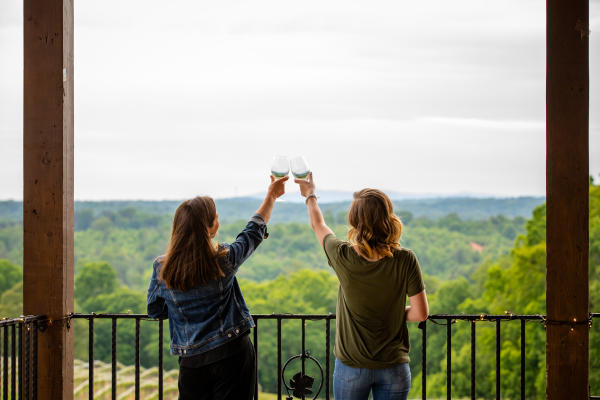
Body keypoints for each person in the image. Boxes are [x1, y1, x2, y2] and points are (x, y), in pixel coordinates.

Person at [146, 175, 289, 400]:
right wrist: (271, 196)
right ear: (210, 228)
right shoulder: (223, 259)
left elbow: (155, 311)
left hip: (191, 360)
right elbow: (252, 232)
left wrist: (182, 311)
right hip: (232, 354)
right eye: (216, 218)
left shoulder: (162, 267)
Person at [295, 173, 429, 400]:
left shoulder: (343, 255)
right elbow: (421, 313)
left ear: (355, 221)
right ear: (388, 217)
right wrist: (392, 313)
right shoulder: (406, 259)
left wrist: (310, 195)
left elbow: (318, 225)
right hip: (393, 365)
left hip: (352, 366)